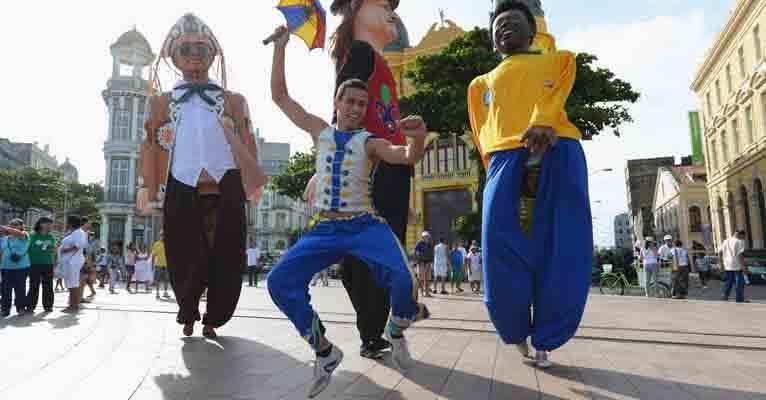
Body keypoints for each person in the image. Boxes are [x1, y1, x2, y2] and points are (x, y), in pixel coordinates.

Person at [267, 25, 430, 398]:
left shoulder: (370, 142)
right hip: (325, 229)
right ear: (338, 103)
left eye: (363, 104)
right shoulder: (319, 132)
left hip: (363, 226)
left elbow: (404, 156)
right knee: (279, 283)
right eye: (350, 102)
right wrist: (280, 49)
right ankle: (324, 351)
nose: (357, 108)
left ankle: (397, 329)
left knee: (405, 282)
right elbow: (280, 96)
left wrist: (417, 138)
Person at [467, 0, 592, 368]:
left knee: (564, 244)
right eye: (497, 24)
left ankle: (548, 338)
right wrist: (494, 170)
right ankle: (514, 328)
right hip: (507, 161)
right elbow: (482, 134)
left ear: (533, 31)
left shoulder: (558, 60)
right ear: (492, 41)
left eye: (513, 21)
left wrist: (543, 120)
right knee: (500, 247)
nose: (504, 27)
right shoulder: (480, 85)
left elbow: (558, 89)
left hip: (558, 152)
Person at [138, 14, 267, 339]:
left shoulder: (235, 101)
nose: (194, 54)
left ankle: (216, 316)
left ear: (213, 54)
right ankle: (188, 311)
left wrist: (253, 186)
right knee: (183, 253)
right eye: (186, 49)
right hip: (181, 184)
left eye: (201, 47)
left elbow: (248, 140)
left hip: (227, 185)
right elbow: (151, 145)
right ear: (173, 57)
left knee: (229, 252)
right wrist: (147, 187)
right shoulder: (159, 104)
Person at [324, 0, 412, 360]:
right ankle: (371, 331)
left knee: (384, 253)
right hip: (370, 163)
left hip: (391, 164)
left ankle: (376, 329)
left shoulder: (377, 61)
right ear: (356, 9)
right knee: (361, 256)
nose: (391, 10)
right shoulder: (359, 53)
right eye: (382, 4)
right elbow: (343, 112)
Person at [1, 219, 31, 316]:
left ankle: (20, 308)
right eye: (11, 224)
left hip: (21, 268)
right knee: (6, 289)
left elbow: (18, 233)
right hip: (6, 267)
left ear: (21, 226)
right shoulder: (5, 238)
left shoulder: (24, 235)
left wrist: (5, 228)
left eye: (15, 224)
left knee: (20, 288)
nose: (12, 226)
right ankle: (5, 309)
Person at [26, 217, 57, 313]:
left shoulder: (51, 236)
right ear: (41, 224)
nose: (50, 226)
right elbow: (26, 249)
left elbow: (54, 250)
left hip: (48, 264)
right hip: (34, 264)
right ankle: (30, 306)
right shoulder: (32, 235)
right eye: (48, 224)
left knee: (48, 286)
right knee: (34, 285)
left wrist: (53, 251)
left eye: (51, 224)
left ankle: (48, 306)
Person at [59, 216, 89, 312]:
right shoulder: (73, 232)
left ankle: (74, 305)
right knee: (71, 282)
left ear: (71, 223)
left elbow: (78, 245)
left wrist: (64, 250)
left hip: (74, 261)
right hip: (70, 261)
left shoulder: (79, 233)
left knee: (74, 282)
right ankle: (71, 304)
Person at [721, 230, 748, 303]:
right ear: (741, 235)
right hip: (737, 265)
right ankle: (739, 298)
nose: (743, 238)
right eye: (743, 236)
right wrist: (744, 266)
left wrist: (721, 264)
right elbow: (740, 255)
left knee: (728, 281)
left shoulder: (725, 241)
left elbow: (720, 253)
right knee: (739, 282)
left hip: (727, 265)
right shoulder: (739, 242)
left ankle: (725, 296)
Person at [414, 232, 434, 297]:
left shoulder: (430, 244)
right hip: (421, 263)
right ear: (422, 237)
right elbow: (416, 253)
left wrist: (430, 263)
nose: (427, 238)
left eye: (427, 236)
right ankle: (422, 292)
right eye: (425, 236)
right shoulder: (419, 243)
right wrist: (419, 261)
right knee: (421, 279)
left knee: (428, 279)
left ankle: (427, 293)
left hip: (428, 263)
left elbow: (431, 254)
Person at [152, 233, 170, 299]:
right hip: (158, 264)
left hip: (167, 264)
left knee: (166, 279)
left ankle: (165, 292)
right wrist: (152, 265)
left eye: (164, 235)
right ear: (160, 236)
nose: (163, 237)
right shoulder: (156, 244)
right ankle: (157, 292)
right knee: (158, 279)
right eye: (162, 235)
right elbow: (153, 255)